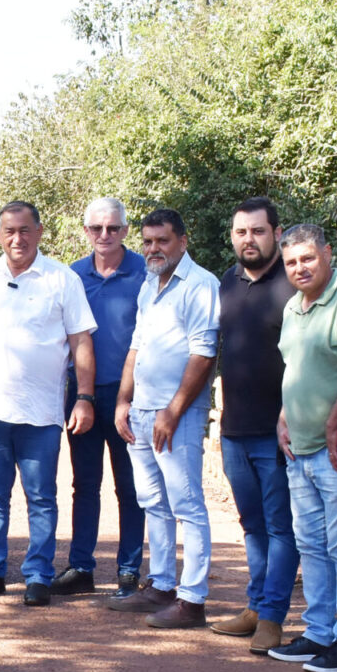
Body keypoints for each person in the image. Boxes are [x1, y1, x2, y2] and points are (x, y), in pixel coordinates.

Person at [0, 202, 97, 605]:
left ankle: (38, 575)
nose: (17, 239)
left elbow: (81, 340)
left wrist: (84, 398)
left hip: (41, 413)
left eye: (24, 230)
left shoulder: (62, 279)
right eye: (8, 231)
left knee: (41, 497)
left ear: (39, 232)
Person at [269, 224, 337, 672]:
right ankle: (318, 632)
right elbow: (297, 368)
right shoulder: (294, 306)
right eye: (292, 261)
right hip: (301, 450)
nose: (300, 268)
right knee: (311, 545)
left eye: (308, 258)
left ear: (328, 254)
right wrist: (283, 416)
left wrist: (334, 422)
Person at [109, 207, 220, 627]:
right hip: (140, 413)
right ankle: (160, 585)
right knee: (152, 501)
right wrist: (123, 402)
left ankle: (192, 599)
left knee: (186, 504)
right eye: (148, 241)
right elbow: (136, 348)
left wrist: (173, 411)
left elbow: (203, 351)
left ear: (183, 241)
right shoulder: (149, 285)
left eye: (163, 241)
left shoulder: (200, 285)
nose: (154, 248)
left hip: (177, 416)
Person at [212, 197, 299, 653]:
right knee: (252, 525)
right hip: (234, 430)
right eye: (241, 231)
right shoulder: (227, 281)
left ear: (277, 234)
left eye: (258, 231)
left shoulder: (294, 283)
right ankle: (255, 605)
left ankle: (272, 616)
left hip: (278, 432)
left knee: (281, 526)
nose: (249, 239)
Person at [51, 197, 146, 600]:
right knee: (84, 483)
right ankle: (81, 566)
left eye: (112, 228)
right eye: (95, 229)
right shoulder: (72, 275)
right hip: (83, 395)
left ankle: (128, 570)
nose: (104, 236)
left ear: (125, 230)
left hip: (132, 396)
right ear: (85, 231)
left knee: (130, 486)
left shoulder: (145, 272)